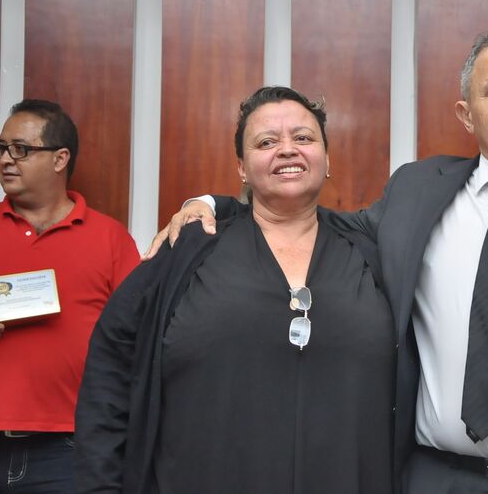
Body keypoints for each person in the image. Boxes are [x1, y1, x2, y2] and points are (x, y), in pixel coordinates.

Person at [154, 27, 488, 493]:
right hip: (440, 477)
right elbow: (317, 221)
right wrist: (215, 204)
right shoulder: (417, 190)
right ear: (466, 114)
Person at [73, 86, 395, 494]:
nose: (287, 150)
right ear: (242, 167)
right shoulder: (188, 248)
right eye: (266, 142)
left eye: (303, 137)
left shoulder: (373, 252)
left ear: (326, 158)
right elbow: (111, 365)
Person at [0, 99, 140, 493]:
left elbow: (138, 340)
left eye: (20, 149)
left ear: (60, 159)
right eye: (0, 149)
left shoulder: (111, 239)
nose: (5, 160)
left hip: (70, 449)